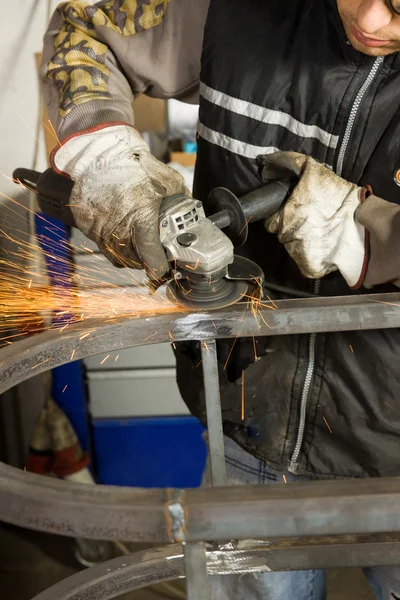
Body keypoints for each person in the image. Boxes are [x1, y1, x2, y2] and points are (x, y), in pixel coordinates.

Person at [41, 1, 400, 597]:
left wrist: (364, 239)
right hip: (249, 422)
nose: (370, 18)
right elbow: (85, 23)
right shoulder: (235, 7)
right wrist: (108, 163)